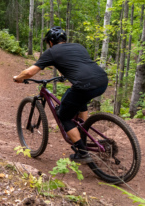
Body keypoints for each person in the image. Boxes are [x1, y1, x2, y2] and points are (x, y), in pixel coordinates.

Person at [13, 26, 108, 163]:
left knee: (63, 115)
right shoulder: (78, 46)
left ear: (51, 42)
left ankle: (82, 152)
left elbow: (29, 73)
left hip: (84, 85)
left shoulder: (51, 51)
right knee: (78, 99)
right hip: (102, 81)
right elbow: (77, 64)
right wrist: (63, 74)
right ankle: (82, 132)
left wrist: (19, 78)